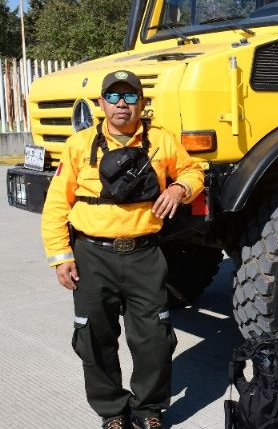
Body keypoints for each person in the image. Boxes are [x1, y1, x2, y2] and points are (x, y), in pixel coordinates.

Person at [41, 71, 204, 429]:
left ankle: (149, 409)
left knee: (154, 339)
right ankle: (113, 412)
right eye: (113, 97)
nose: (121, 104)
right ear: (101, 104)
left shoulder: (161, 141)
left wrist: (179, 190)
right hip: (91, 257)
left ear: (141, 104)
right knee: (94, 338)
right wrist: (61, 256)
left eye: (130, 97)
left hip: (145, 255)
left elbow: (193, 171)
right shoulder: (79, 145)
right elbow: (56, 205)